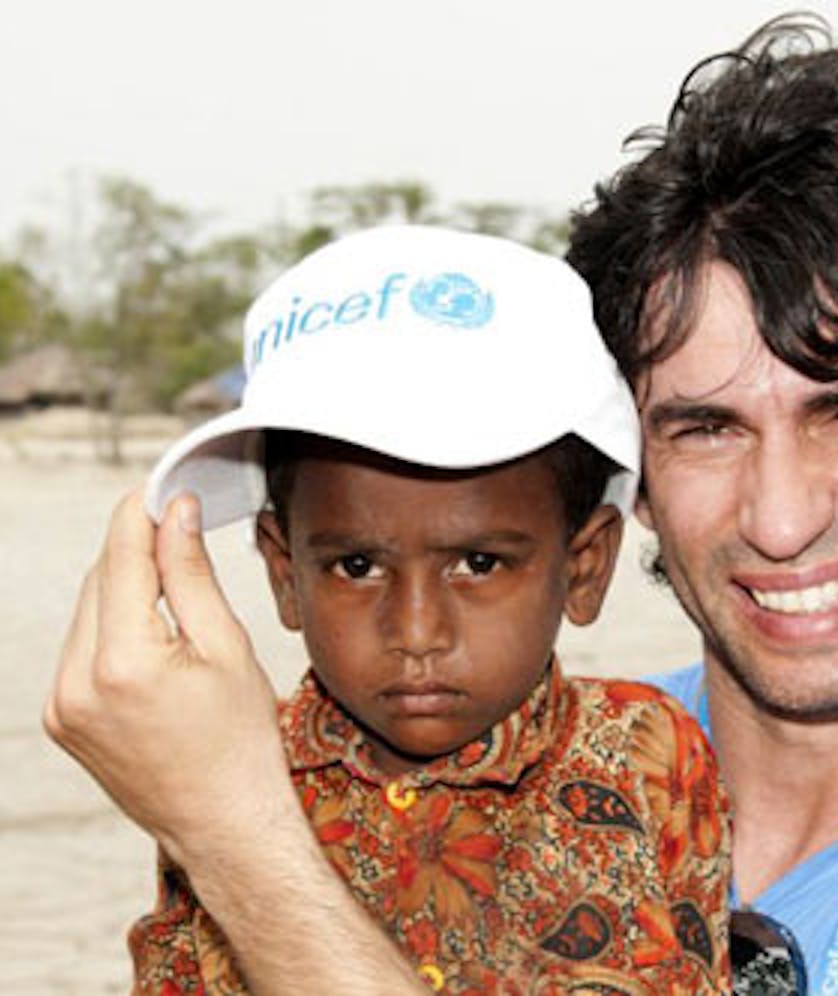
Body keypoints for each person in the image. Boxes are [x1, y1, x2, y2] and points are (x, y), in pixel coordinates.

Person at [46, 16, 838, 995]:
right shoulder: (475, 754)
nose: (781, 516)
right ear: (624, 479)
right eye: (705, 427)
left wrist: (238, 835)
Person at [120, 225, 730, 993]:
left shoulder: (650, 754)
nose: (416, 633)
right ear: (283, 573)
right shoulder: (236, 772)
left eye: (478, 564)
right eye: (357, 565)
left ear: (585, 568)